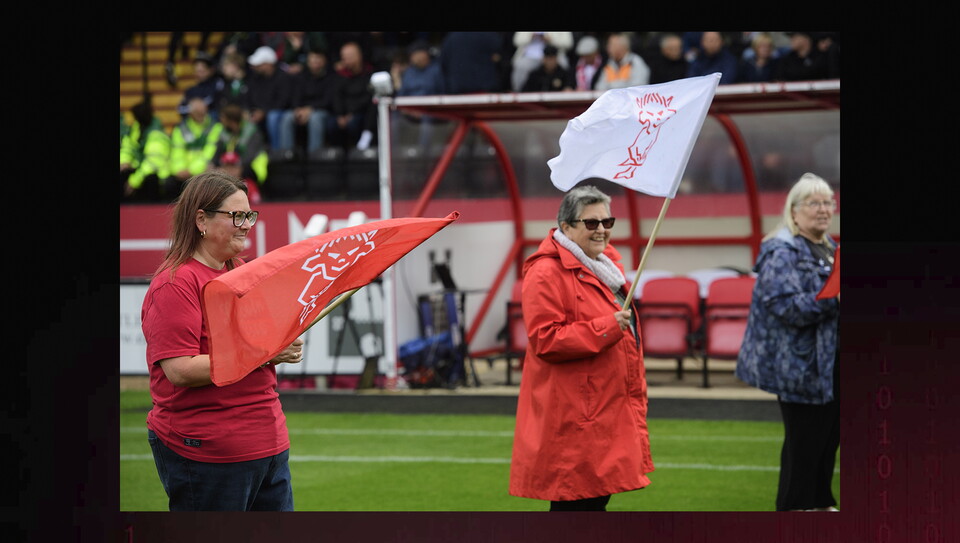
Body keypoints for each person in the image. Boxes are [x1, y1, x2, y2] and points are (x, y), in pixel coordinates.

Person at [141, 171, 303, 511]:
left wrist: (282, 337)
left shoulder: (240, 270)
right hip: (208, 451)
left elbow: (255, 341)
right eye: (237, 216)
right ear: (201, 219)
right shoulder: (175, 284)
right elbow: (181, 370)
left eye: (249, 215)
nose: (246, 225)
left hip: (268, 443)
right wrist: (266, 352)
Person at [509, 185, 654, 511]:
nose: (601, 230)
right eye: (591, 223)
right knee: (576, 506)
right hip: (576, 415)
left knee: (592, 504)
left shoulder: (604, 265)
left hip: (602, 408)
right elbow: (545, 339)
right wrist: (606, 328)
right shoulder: (546, 271)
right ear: (566, 226)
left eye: (607, 221)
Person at [735, 172, 840, 512]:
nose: (823, 209)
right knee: (804, 444)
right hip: (799, 366)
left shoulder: (831, 248)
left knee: (827, 441)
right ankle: (795, 510)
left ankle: (821, 503)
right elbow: (785, 306)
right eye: (814, 203)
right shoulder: (782, 251)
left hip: (830, 363)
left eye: (828, 202)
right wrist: (834, 301)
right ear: (794, 211)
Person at [281, 48, 337, 157]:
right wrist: (298, 109)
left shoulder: (330, 77)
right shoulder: (302, 76)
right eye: (312, 60)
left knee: (315, 118)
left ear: (324, 61)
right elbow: (296, 96)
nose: (315, 62)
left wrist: (310, 109)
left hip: (323, 111)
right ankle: (287, 154)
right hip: (303, 110)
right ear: (308, 62)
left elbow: (329, 100)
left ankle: (314, 155)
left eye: (318, 59)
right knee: (287, 117)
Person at [245, 45, 297, 155]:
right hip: (262, 112)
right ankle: (251, 154)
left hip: (282, 111)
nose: (256, 67)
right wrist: (252, 111)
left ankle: (276, 152)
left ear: (268, 64)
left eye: (259, 65)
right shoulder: (256, 78)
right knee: (247, 118)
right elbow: (251, 98)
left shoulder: (283, 77)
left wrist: (264, 111)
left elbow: (283, 101)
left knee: (273, 117)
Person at [168, 97, 224, 197]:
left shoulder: (215, 127)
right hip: (182, 173)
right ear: (190, 113)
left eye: (203, 112)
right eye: (198, 112)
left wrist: (192, 171)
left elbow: (209, 153)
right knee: (169, 184)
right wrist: (180, 169)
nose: (201, 115)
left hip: (204, 171)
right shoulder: (180, 129)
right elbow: (177, 152)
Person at [214, 103, 269, 201]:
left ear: (230, 120)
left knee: (235, 173)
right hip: (233, 167)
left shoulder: (252, 132)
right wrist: (215, 165)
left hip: (254, 168)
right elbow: (217, 153)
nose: (221, 120)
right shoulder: (225, 132)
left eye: (223, 118)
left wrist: (232, 169)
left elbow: (249, 156)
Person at [328, 41, 377, 151]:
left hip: (361, 113)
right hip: (343, 113)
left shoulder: (369, 73)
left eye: (349, 57)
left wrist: (352, 113)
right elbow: (336, 96)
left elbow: (368, 97)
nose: (346, 61)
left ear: (359, 56)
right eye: (344, 57)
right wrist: (340, 115)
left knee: (358, 120)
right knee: (331, 124)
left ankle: (365, 139)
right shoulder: (339, 76)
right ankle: (336, 155)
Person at [121, 98, 172, 202]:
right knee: (123, 173)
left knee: (150, 179)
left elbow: (152, 163)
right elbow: (128, 148)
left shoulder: (157, 132)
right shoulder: (136, 128)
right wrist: (124, 162)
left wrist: (134, 180)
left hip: (158, 177)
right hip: (140, 170)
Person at [439, 32, 505, 94]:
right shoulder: (489, 35)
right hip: (484, 92)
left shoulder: (451, 37)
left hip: (457, 93)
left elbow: (443, 64)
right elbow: (503, 56)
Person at [510, 32, 574, 92]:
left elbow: (568, 43)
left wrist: (550, 39)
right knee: (521, 65)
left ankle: (566, 88)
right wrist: (530, 36)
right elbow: (516, 41)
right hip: (530, 56)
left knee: (563, 63)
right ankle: (518, 92)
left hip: (553, 53)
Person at [176, 52, 225, 122]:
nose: (199, 74)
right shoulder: (191, 90)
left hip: (211, 119)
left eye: (202, 71)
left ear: (211, 70)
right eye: (197, 71)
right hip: (194, 122)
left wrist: (197, 105)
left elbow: (212, 100)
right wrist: (193, 107)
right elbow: (181, 109)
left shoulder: (217, 84)